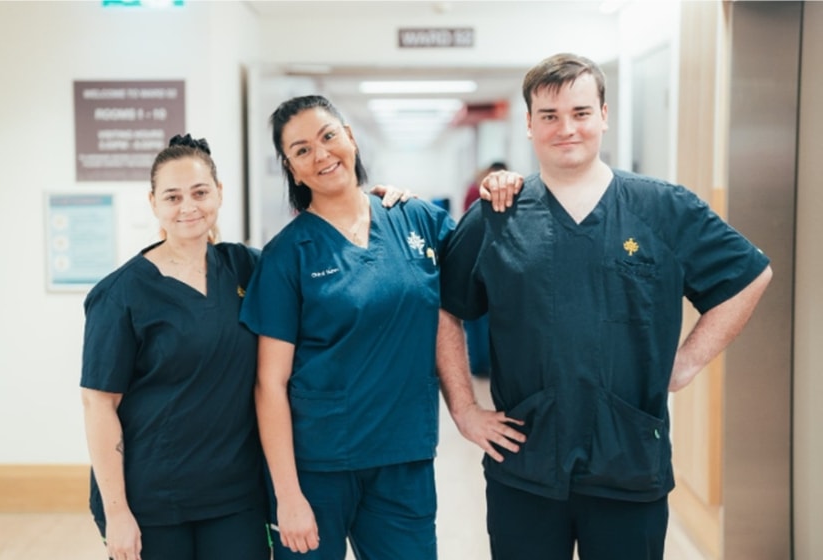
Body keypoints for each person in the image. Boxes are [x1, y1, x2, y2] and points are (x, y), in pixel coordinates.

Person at [436, 53, 773, 560]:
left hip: (629, 462)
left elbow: (750, 275)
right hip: (525, 464)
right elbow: (446, 305)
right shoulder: (497, 217)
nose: (566, 128)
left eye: (580, 112)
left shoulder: (663, 208)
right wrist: (463, 410)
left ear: (604, 116)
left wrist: (686, 363)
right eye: (549, 116)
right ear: (528, 125)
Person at [238, 94, 522, 560]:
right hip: (316, 467)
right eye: (302, 150)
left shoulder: (415, 219)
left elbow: (458, 300)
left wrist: (501, 189)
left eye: (329, 136)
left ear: (350, 137)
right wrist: (288, 496)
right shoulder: (288, 254)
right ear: (291, 168)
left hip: (403, 458)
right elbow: (270, 383)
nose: (322, 154)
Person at [80, 134, 271, 560]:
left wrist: (375, 205)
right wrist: (118, 514)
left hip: (234, 496)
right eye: (173, 197)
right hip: (152, 498)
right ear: (153, 203)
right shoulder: (121, 295)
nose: (188, 207)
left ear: (219, 193)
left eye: (200, 192)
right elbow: (98, 406)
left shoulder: (245, 266)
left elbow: (309, 263)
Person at [462, 161, 508, 378]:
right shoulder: (477, 192)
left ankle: (482, 364)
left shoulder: (483, 190)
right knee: (477, 316)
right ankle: (480, 364)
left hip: (488, 258)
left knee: (481, 317)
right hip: (480, 257)